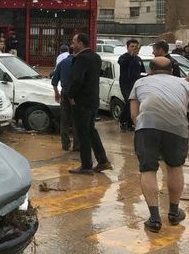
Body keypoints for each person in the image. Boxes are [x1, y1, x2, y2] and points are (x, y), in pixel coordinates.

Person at [129, 57, 189, 232]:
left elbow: (134, 114)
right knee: (175, 167)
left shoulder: (140, 82)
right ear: (172, 70)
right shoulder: (184, 84)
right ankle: (173, 212)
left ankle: (154, 219)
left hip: (147, 126)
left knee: (148, 169)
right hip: (177, 128)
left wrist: (140, 126)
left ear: (151, 70)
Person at [67, 33, 112, 175]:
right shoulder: (95, 57)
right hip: (93, 100)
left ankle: (86, 165)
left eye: (73, 42)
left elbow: (77, 80)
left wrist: (70, 95)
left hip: (81, 101)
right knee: (91, 130)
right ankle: (103, 160)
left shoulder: (81, 59)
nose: (72, 45)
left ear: (80, 43)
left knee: (83, 134)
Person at [52, 49, 78, 151]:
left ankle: (65, 144)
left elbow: (54, 81)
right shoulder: (79, 63)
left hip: (65, 92)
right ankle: (77, 145)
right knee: (76, 119)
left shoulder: (62, 63)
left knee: (65, 120)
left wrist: (56, 93)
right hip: (77, 94)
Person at [118, 39, 145, 131]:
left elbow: (142, 72)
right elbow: (122, 63)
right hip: (126, 85)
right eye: (132, 47)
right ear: (127, 47)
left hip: (137, 84)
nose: (134, 48)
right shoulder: (123, 57)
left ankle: (129, 123)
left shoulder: (138, 59)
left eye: (136, 47)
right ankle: (122, 120)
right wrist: (131, 56)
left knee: (135, 104)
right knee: (129, 101)